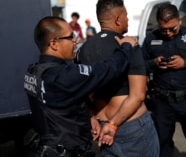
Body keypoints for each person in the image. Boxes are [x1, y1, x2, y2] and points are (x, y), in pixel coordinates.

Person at [24, 16, 138, 157]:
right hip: (65, 150)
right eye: (70, 37)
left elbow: (62, 102)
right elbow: (108, 70)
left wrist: (89, 115)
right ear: (54, 44)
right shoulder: (62, 76)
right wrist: (126, 46)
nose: (75, 40)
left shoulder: (34, 71)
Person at [77, 0, 159, 157]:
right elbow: (138, 95)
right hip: (129, 125)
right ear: (117, 19)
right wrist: (113, 125)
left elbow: (82, 92)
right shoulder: (128, 44)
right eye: (126, 16)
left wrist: (91, 117)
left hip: (101, 126)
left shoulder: (83, 49)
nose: (127, 20)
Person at [141, 3, 186, 157]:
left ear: (179, 21)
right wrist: (154, 63)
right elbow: (140, 65)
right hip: (162, 101)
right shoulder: (151, 38)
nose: (168, 33)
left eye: (172, 28)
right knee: (162, 143)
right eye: (164, 29)